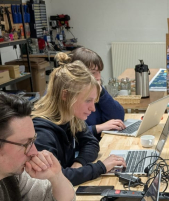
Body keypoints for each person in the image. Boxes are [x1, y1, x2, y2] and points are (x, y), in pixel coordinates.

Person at [32, 52, 126, 186]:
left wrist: (78, 164)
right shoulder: (41, 132)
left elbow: (91, 143)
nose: (93, 108)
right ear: (66, 95)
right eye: (88, 100)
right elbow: (54, 178)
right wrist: (101, 167)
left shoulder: (69, 115)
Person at [69, 47, 126, 140]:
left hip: (94, 143)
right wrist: (99, 128)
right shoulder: (68, 95)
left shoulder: (94, 88)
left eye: (99, 72)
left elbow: (118, 117)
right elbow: (71, 136)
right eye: (93, 73)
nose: (98, 77)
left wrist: (102, 93)